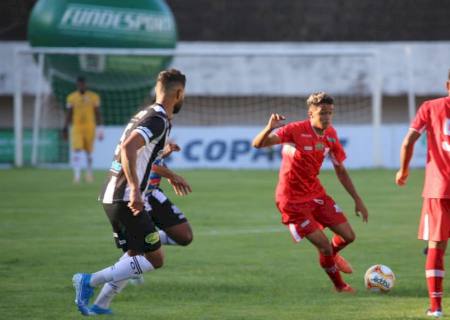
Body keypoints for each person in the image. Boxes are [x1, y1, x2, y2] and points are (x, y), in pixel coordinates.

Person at [72, 69, 192, 316]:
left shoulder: (144, 115)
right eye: (184, 94)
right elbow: (127, 148)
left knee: (136, 253)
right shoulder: (157, 119)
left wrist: (163, 155)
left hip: (113, 195)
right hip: (126, 197)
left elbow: (137, 153)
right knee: (155, 259)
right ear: (178, 93)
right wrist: (136, 190)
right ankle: (88, 280)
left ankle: (100, 304)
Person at [252, 92, 368, 293]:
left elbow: (340, 169)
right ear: (311, 113)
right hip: (291, 200)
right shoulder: (295, 130)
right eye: (322, 113)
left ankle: (332, 255)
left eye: (330, 113)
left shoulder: (331, 134)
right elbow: (258, 144)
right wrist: (269, 127)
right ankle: (340, 286)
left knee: (349, 236)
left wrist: (357, 199)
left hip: (316, 194)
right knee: (323, 245)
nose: (327, 117)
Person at [395, 71, 450, 318]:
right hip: (438, 188)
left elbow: (408, 142)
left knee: (436, 246)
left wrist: (403, 171)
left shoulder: (430, 107)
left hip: (439, 187)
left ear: (448, 85)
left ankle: (436, 308)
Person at [63, 76, 103, 183]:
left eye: (83, 84)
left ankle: (89, 174)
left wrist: (100, 129)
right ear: (77, 85)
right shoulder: (71, 97)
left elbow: (97, 113)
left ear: (86, 85)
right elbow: (69, 113)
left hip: (90, 127)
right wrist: (65, 127)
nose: (81, 86)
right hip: (77, 127)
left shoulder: (94, 97)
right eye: (79, 84)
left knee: (88, 152)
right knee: (77, 150)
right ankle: (77, 176)